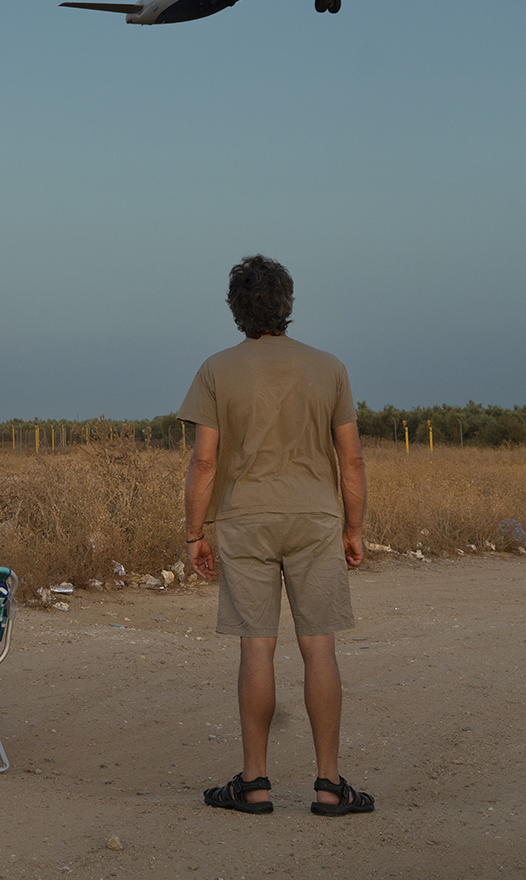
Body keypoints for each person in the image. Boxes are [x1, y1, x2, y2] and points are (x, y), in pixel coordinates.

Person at [179, 255, 374, 816]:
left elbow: (205, 462)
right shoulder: (329, 368)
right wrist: (354, 527)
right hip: (315, 520)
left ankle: (256, 784)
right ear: (287, 305)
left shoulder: (216, 370)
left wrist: (195, 532)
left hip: (244, 520)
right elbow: (352, 459)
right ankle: (330, 785)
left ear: (236, 308)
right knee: (320, 648)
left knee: (256, 647)